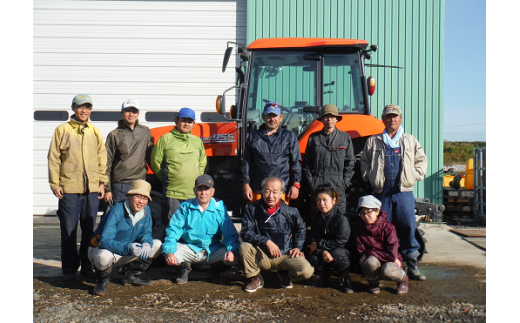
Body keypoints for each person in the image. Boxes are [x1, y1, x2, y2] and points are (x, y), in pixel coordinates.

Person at [360, 104, 428, 281]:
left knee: (408, 227)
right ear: (383, 119)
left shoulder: (410, 140)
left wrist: (414, 176)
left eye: (395, 116)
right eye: (388, 116)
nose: (392, 119)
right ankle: (385, 266)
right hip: (381, 194)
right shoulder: (373, 141)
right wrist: (369, 177)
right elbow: (364, 163)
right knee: (382, 230)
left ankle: (412, 266)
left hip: (403, 193)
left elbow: (422, 161)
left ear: (400, 119)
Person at [48, 94, 108, 281]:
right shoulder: (62, 130)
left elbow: (101, 159)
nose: (84, 110)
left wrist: (101, 182)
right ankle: (69, 270)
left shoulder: (94, 131)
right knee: (68, 230)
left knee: (89, 231)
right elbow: (53, 158)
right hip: (69, 190)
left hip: (90, 191)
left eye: (87, 107)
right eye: (81, 107)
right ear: (73, 108)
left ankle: (87, 266)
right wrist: (55, 184)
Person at [239, 176, 313, 293]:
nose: (270, 195)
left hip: (284, 255)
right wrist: (266, 241)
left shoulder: (291, 211)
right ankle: (256, 277)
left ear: (281, 193)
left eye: (275, 192)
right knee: (244, 247)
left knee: (306, 270)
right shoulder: (252, 209)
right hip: (262, 255)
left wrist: (297, 247)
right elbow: (245, 232)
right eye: (267, 191)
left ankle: (285, 273)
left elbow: (301, 228)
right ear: (262, 191)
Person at [162, 174, 240, 284]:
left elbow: (230, 235)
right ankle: (185, 269)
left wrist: (231, 250)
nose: (203, 193)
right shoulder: (185, 207)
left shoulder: (220, 208)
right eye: (200, 189)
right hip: (189, 248)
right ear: (194, 190)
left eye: (206, 189)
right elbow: (173, 230)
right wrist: (169, 251)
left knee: (236, 255)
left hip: (212, 250)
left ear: (212, 192)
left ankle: (214, 271)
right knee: (168, 252)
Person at [88, 180, 162, 296]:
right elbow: (105, 241)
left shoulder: (146, 210)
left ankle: (132, 275)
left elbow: (146, 232)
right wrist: (128, 247)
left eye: (145, 198)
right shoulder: (116, 211)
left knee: (157, 244)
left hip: (127, 249)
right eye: (138, 197)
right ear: (128, 196)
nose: (141, 201)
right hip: (106, 250)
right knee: (103, 257)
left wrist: (147, 243)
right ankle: (102, 281)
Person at [150, 107, 207, 233]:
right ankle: (169, 252)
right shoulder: (165, 139)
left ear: (193, 124)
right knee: (172, 228)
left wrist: (196, 176)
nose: (186, 124)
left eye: (190, 121)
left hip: (192, 194)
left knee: (191, 228)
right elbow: (155, 162)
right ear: (176, 120)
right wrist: (166, 178)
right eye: (183, 120)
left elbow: (202, 162)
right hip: (173, 194)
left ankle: (189, 252)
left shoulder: (197, 141)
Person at [241, 101, 302, 203]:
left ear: (281, 118)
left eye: (275, 116)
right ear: (263, 117)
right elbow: (246, 163)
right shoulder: (253, 137)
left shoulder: (289, 137)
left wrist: (296, 184)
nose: (272, 119)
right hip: (258, 189)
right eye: (269, 115)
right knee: (258, 218)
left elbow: (296, 162)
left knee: (280, 218)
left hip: (281, 191)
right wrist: (246, 184)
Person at [303, 104, 355, 214]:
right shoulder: (313, 138)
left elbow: (350, 163)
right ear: (321, 119)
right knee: (318, 219)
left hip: (337, 184)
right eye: (326, 116)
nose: (329, 119)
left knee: (339, 219)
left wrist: (344, 183)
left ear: (337, 119)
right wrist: (312, 183)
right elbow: (307, 164)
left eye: (332, 116)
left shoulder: (345, 138)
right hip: (318, 183)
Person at [352, 195, 408, 294]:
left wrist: (370, 252)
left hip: (389, 259)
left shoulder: (389, 227)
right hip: (373, 258)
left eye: (369, 212)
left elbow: (391, 254)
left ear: (377, 211)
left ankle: (403, 279)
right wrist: (369, 254)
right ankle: (373, 282)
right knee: (370, 263)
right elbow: (360, 249)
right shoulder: (358, 226)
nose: (366, 216)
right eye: (362, 213)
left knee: (388, 271)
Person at [104, 99, 154, 204]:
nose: (131, 114)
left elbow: (151, 157)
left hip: (139, 183)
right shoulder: (114, 134)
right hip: (120, 185)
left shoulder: (145, 131)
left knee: (138, 217)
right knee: (119, 216)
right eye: (127, 111)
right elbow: (106, 163)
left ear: (138, 114)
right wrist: (107, 189)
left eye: (134, 111)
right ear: (122, 113)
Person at [308, 183, 353, 293]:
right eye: (318, 200)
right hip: (324, 250)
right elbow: (313, 239)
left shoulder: (342, 217)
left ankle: (345, 278)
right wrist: (322, 251)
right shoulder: (317, 217)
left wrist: (320, 245)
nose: (321, 203)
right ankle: (324, 275)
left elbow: (342, 241)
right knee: (313, 257)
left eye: (325, 200)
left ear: (334, 200)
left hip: (342, 249)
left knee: (339, 254)